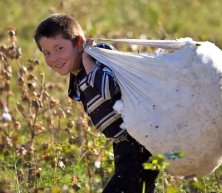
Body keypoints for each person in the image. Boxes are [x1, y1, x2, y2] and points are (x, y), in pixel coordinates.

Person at [34, 13, 159, 193]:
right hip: (122, 146)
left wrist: (87, 59)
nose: (53, 58)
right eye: (47, 53)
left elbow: (109, 89)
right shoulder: (77, 77)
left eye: (59, 48)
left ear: (78, 44)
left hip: (138, 143)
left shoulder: (99, 57)